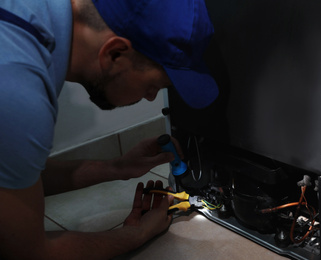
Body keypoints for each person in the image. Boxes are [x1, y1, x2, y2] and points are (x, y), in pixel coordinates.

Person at [0, 0, 218, 259]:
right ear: (114, 53)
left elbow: (17, 177)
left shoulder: (31, 17)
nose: (150, 98)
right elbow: (29, 253)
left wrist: (117, 168)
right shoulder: (16, 87)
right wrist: (136, 235)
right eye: (153, 86)